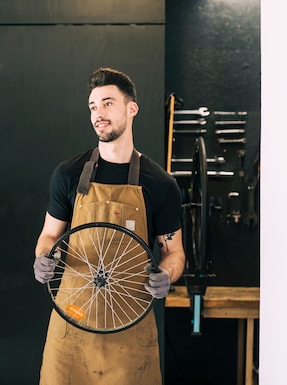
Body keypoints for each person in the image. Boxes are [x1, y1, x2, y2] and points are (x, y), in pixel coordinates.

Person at [33, 67, 186, 385]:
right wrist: (43, 258)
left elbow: (174, 252)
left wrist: (166, 275)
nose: (98, 114)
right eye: (92, 106)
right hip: (72, 324)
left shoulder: (160, 184)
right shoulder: (68, 174)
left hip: (128, 334)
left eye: (107, 103)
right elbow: (49, 235)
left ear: (132, 109)